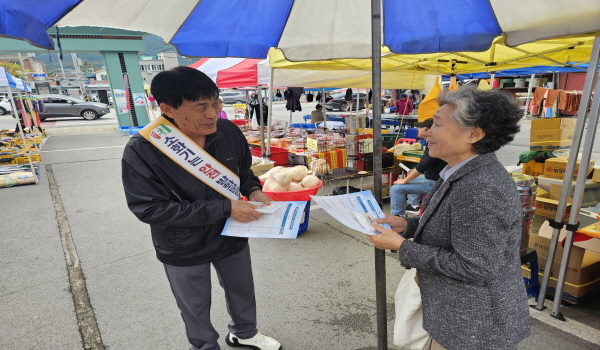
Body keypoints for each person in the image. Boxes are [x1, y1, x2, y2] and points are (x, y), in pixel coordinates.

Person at [121, 67, 281, 350]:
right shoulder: (143, 149)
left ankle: (244, 333)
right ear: (168, 108)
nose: (213, 113)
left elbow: (243, 169)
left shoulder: (227, 131)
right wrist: (224, 208)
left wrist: (253, 189)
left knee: (242, 290)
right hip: (182, 243)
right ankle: (205, 346)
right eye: (201, 107)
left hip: (232, 232)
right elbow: (150, 209)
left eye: (216, 102)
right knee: (194, 306)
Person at [368, 87, 530, 350]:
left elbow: (474, 267)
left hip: (474, 326)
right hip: (456, 316)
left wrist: (401, 246)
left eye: (437, 124)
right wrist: (407, 226)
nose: (428, 132)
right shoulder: (460, 171)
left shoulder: (481, 188)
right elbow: (453, 229)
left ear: (474, 134)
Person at [390, 118, 446, 216]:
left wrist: (405, 180)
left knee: (396, 189)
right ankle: (414, 206)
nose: (418, 129)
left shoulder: (436, 145)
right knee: (411, 175)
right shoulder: (432, 143)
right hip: (433, 179)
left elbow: (422, 166)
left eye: (421, 127)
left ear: (429, 130)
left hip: (436, 183)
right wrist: (411, 175)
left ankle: (398, 217)